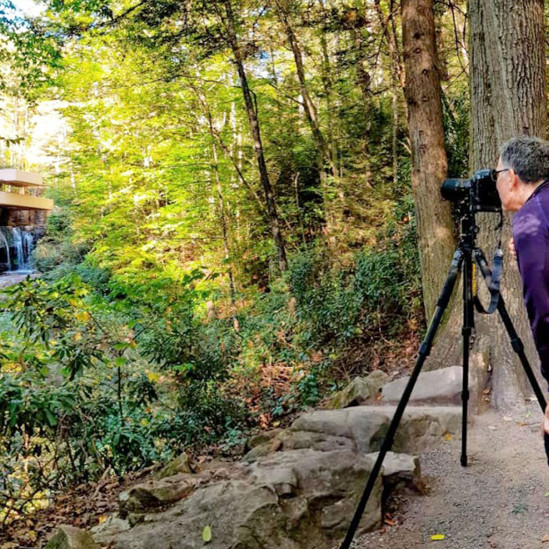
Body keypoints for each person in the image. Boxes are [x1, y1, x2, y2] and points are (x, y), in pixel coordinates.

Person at [494, 135, 549, 436]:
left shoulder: (530, 220)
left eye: (497, 175)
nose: (495, 183)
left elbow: (543, 310)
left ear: (512, 178)